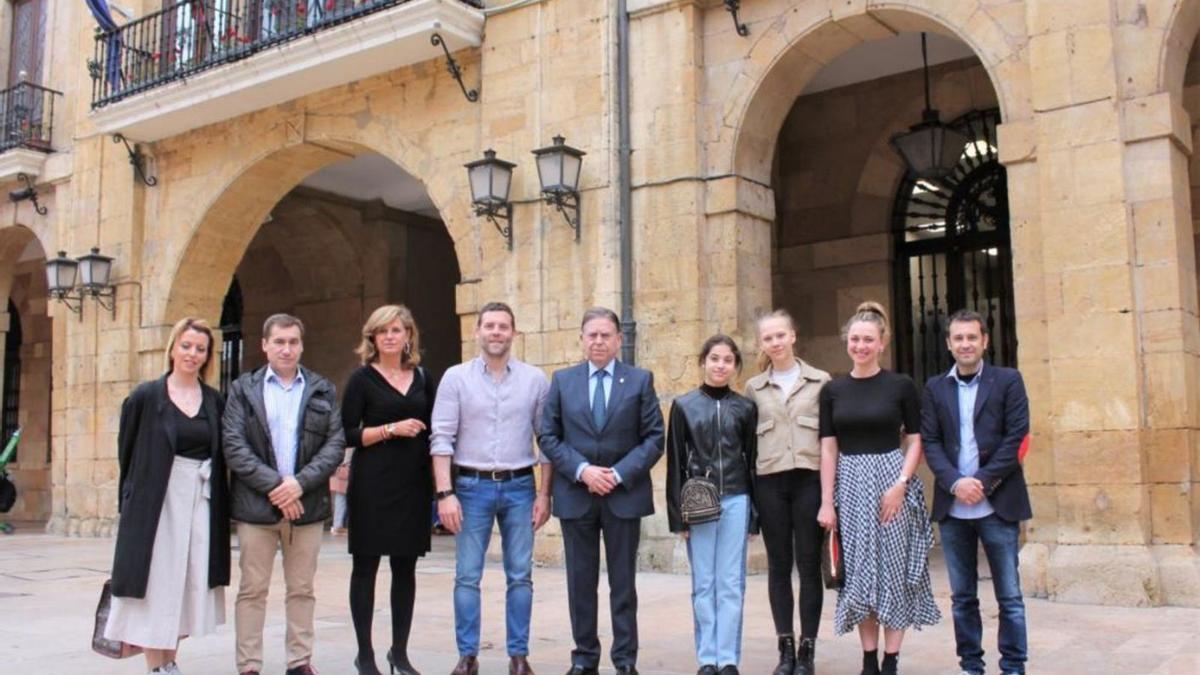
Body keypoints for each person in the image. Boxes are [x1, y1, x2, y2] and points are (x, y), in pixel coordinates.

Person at [538, 307, 665, 675]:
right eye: (591, 334)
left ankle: (625, 660)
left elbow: (654, 437)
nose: (598, 341)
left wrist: (618, 473)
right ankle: (584, 658)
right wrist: (582, 471)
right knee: (581, 583)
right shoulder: (563, 381)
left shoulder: (639, 380)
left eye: (605, 335)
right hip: (577, 496)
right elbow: (548, 435)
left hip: (623, 496)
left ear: (618, 340)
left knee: (623, 585)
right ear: (581, 339)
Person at [816, 302, 940, 675]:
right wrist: (827, 501)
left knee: (894, 571)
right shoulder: (833, 390)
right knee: (859, 571)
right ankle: (869, 658)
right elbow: (827, 447)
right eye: (855, 339)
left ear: (882, 342)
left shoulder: (900, 385)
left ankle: (891, 659)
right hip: (850, 484)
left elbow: (916, 439)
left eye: (868, 339)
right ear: (846, 343)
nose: (861, 346)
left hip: (891, 481)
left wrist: (901, 484)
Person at [430, 302, 552, 675]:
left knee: (521, 575)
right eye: (490, 326)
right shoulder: (455, 378)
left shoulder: (535, 380)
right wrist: (444, 494)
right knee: (467, 575)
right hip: (469, 487)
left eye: (503, 326)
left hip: (519, 487)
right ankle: (468, 655)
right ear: (477, 332)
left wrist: (544, 494)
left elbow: (545, 440)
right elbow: (441, 439)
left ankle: (519, 655)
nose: (496, 332)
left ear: (514, 333)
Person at [105, 317, 230, 675]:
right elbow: (126, 454)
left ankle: (169, 662)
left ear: (208, 356)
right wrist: (130, 506)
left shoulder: (214, 401)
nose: (192, 354)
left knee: (186, 581)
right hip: (155, 502)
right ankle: (156, 667)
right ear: (173, 348)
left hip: (200, 500)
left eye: (200, 349)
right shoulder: (146, 396)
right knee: (157, 582)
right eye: (186, 346)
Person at [223, 313, 345, 675]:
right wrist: (278, 486)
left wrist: (299, 484)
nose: (286, 349)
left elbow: (334, 443)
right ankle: (248, 665)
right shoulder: (243, 389)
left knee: (302, 589)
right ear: (265, 345)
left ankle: (299, 661)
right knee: (252, 590)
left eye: (293, 342)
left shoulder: (322, 388)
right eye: (279, 342)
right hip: (256, 509)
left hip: (306, 506)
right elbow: (234, 445)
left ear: (301, 345)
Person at [921, 310, 1031, 675]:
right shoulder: (935, 387)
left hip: (997, 503)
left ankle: (1013, 666)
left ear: (984, 340)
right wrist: (956, 483)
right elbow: (932, 442)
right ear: (949, 344)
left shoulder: (1008, 381)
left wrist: (981, 482)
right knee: (962, 597)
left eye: (972, 337)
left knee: (1010, 597)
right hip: (954, 509)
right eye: (958, 338)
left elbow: (1016, 437)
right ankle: (971, 665)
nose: (965, 344)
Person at [341, 304, 437, 675]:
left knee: (405, 567)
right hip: (372, 482)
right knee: (365, 566)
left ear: (409, 335)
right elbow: (346, 432)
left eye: (397, 330)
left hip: (412, 483)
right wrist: (389, 430)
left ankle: (399, 652)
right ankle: (364, 654)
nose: (390, 336)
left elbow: (436, 429)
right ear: (373, 338)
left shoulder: (424, 378)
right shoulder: (362, 379)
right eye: (383, 331)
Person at [744, 310, 831, 675]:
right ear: (761, 344)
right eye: (768, 338)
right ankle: (786, 648)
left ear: (793, 336)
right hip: (771, 483)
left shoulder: (821, 381)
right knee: (779, 566)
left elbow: (831, 440)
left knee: (809, 565)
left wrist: (830, 496)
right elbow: (748, 446)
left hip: (809, 480)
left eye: (781, 335)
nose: (776, 343)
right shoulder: (753, 388)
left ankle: (808, 649)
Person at [665, 335, 758, 675]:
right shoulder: (684, 405)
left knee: (731, 581)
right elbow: (674, 461)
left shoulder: (745, 408)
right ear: (703, 361)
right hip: (699, 502)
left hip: (736, 498)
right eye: (714, 358)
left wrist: (754, 517)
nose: (721, 365)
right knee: (704, 582)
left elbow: (751, 461)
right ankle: (707, 657)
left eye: (728, 360)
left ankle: (728, 657)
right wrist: (679, 518)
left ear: (735, 366)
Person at [330, 447, 352, 535]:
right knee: (341, 499)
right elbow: (347, 458)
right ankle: (337, 526)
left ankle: (337, 525)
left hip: (339, 471)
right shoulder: (349, 446)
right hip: (344, 472)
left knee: (340, 499)